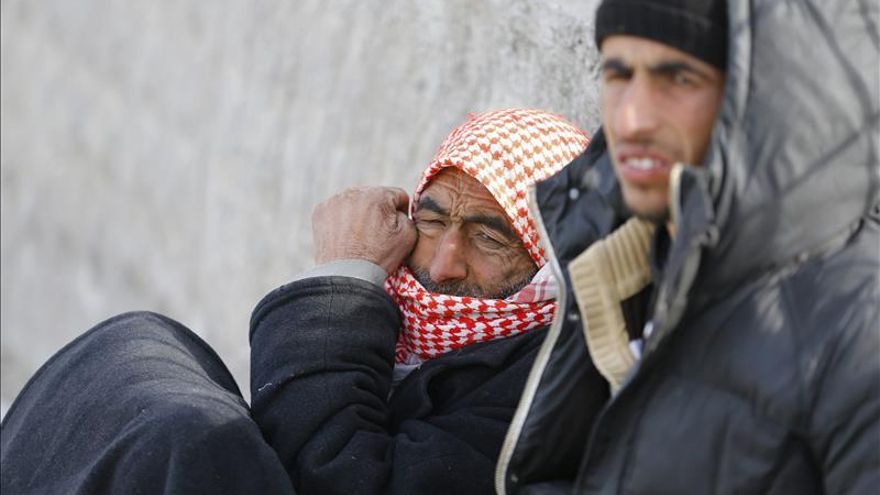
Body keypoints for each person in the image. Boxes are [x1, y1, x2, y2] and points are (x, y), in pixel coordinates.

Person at [0, 108, 592, 494]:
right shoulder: (412, 330)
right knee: (135, 346)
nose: (442, 264)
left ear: (552, 260)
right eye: (432, 222)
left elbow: (334, 478)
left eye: (491, 238)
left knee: (190, 438)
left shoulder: (543, 388)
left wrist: (343, 282)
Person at [496, 0, 880, 493]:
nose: (632, 119)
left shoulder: (860, 325)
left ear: (766, 102)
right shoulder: (619, 268)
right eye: (618, 74)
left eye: (678, 79)